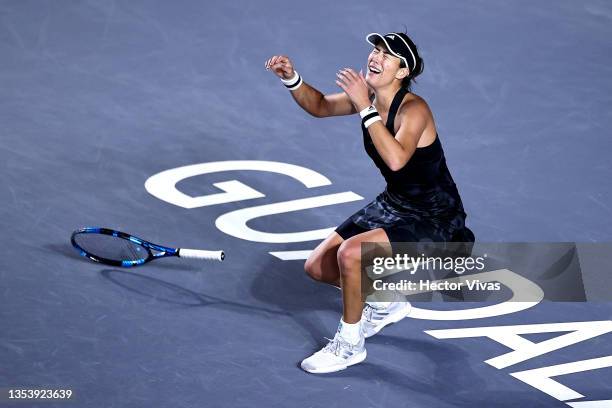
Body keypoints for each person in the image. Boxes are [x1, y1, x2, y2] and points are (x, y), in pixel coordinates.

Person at [265, 32, 475, 374]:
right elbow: (319, 106)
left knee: (351, 254)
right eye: (376, 50)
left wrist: (364, 106)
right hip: (395, 203)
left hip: (437, 217)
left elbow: (396, 160)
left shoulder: (414, 109)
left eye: (388, 55)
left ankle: (349, 346)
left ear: (402, 72)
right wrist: (292, 79)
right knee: (318, 267)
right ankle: (385, 302)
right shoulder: (371, 98)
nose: (376, 57)